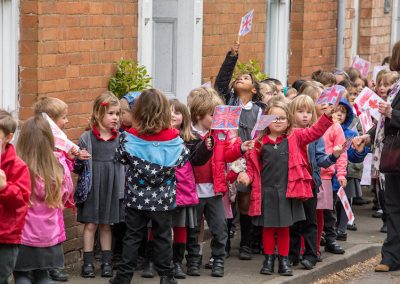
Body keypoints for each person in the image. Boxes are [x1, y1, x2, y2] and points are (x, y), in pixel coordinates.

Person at [239, 100, 335, 276]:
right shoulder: (259, 142)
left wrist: (326, 117)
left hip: (287, 192)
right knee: (268, 228)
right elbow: (252, 167)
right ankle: (268, 260)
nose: (278, 121)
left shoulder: (296, 137)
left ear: (289, 121)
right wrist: (246, 176)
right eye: (274, 117)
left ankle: (284, 260)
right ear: (266, 120)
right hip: (266, 193)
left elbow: (314, 132)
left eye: (282, 118)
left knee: (284, 228)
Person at [109, 89, 189, 284]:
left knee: (132, 236)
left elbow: (119, 157)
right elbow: (182, 160)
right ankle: (167, 277)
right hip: (163, 198)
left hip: (136, 197)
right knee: (162, 237)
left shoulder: (129, 137)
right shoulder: (174, 138)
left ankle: (123, 277)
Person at [185, 88, 254, 277]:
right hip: (194, 191)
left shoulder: (220, 133)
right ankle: (193, 259)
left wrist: (240, 147)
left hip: (216, 190)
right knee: (193, 228)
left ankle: (218, 260)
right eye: (212, 115)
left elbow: (228, 154)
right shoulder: (189, 134)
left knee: (219, 228)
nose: (216, 118)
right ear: (198, 114)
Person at [214, 41, 264, 261]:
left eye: (246, 78)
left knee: (244, 199)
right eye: (239, 77)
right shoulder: (228, 101)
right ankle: (222, 244)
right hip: (227, 156)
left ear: (254, 90)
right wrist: (232, 56)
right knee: (226, 200)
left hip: (249, 158)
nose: (240, 79)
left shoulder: (260, 109)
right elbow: (221, 82)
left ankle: (246, 243)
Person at [13, 115, 73, 284]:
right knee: (42, 276)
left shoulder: (19, 168)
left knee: (22, 275)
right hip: (49, 237)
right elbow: (66, 192)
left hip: (24, 236)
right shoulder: (58, 167)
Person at [75, 92, 124, 278]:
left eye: (118, 114)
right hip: (93, 186)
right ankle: (87, 263)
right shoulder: (87, 138)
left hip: (111, 186)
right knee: (90, 225)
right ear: (98, 113)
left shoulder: (120, 138)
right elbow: (77, 168)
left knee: (106, 225)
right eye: (111, 113)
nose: (115, 118)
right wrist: (79, 157)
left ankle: (106, 262)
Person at [288, 95, 340, 269]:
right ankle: (292, 255)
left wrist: (334, 156)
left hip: (309, 184)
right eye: (300, 111)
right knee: (293, 223)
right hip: (291, 184)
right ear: (291, 112)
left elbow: (321, 160)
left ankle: (311, 255)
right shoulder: (286, 134)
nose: (305, 115)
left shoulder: (314, 135)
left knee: (310, 221)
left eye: (309, 112)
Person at [33, 97, 81, 282]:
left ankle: (55, 266)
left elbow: (64, 169)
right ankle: (47, 267)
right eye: (63, 118)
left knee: (57, 231)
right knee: (46, 232)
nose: (67, 121)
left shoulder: (60, 142)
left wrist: (69, 157)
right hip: (43, 199)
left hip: (54, 199)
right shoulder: (45, 143)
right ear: (51, 121)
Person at [169, 98, 213, 279]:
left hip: (183, 191)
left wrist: (206, 148)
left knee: (181, 227)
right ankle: (157, 260)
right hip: (161, 190)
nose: (172, 115)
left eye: (177, 112)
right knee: (159, 228)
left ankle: (177, 262)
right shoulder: (156, 136)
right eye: (169, 111)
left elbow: (197, 159)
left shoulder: (189, 138)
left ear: (184, 117)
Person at [371, 41, 400, 272]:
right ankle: (390, 256)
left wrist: (393, 112)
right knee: (392, 205)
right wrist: (368, 136)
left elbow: (391, 115)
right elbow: (384, 122)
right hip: (393, 151)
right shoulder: (397, 86)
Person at [0, 110, 31, 284]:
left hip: (5, 236)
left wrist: (5, 187)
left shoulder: (18, 166)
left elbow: (21, 201)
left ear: (8, 137)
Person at [332, 99, 368, 240]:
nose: (339, 114)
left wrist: (360, 151)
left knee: (343, 202)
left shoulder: (350, 133)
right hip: (327, 174)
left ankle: (341, 229)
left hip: (343, 175)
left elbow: (353, 156)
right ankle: (329, 231)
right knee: (329, 206)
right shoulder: (324, 131)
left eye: (343, 112)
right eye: (336, 111)